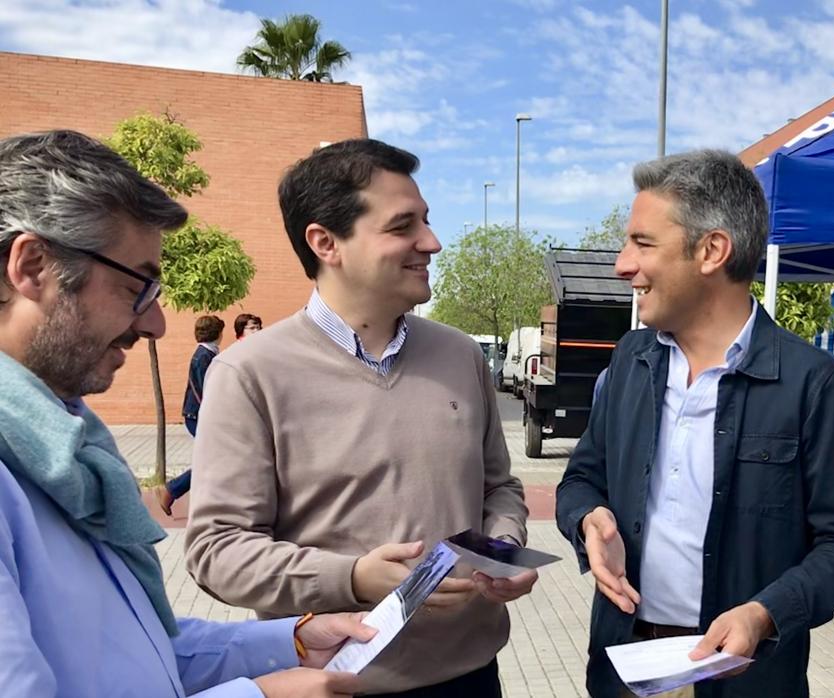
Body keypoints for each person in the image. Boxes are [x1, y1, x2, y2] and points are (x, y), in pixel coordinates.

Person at [0, 129, 373, 697]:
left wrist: (289, 641)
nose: (154, 324)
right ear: (32, 266)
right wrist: (261, 695)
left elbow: (139, 650)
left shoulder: (62, 445)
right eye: (137, 288)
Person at [183, 138, 532, 698]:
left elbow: (500, 487)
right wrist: (351, 577)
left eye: (427, 221)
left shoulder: (461, 354)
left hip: (473, 676)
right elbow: (217, 551)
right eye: (403, 226)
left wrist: (504, 546)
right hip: (336, 684)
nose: (432, 243)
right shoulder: (249, 374)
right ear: (325, 242)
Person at [555, 149, 834, 698]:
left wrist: (766, 613)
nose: (622, 264)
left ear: (712, 250)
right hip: (624, 669)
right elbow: (581, 478)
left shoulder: (811, 382)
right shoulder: (631, 359)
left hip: (744, 681)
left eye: (643, 242)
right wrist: (589, 518)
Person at [155, 315, 225, 515]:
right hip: (198, 416)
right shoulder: (204, 356)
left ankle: (173, 491)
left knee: (215, 458)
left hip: (196, 415)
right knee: (214, 458)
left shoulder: (207, 354)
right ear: (218, 334)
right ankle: (171, 490)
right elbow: (206, 389)